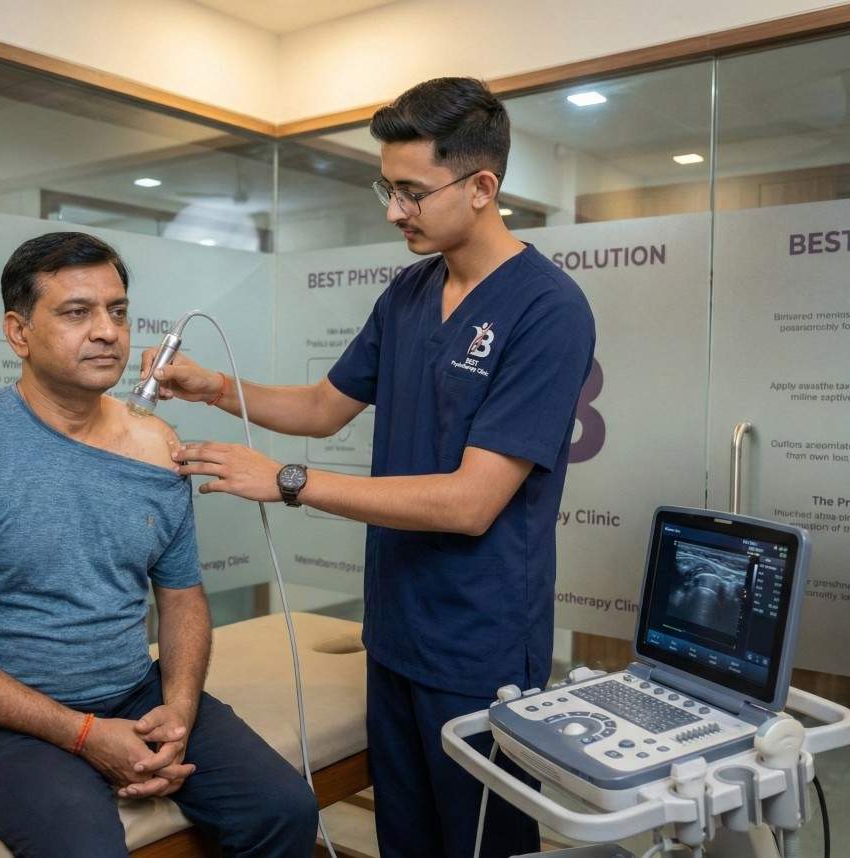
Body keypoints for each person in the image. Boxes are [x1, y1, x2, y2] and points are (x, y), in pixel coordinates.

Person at [144, 78, 596, 858]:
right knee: (406, 838)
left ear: (483, 187)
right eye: (388, 188)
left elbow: (471, 503)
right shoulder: (410, 292)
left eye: (413, 192)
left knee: (478, 843)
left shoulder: (547, 309)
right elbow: (325, 405)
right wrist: (214, 387)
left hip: (478, 642)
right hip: (394, 629)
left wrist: (287, 481)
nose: (394, 211)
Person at [0, 232, 318, 858]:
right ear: (18, 332)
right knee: (85, 846)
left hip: (133, 691)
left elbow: (183, 598)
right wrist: (86, 736)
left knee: (282, 809)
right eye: (75, 312)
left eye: (117, 311)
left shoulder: (155, 447)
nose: (108, 331)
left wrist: (180, 709)